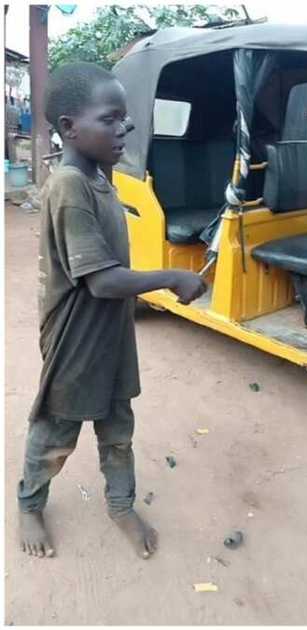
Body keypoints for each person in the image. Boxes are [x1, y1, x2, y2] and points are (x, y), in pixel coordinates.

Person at [17, 63, 208, 559]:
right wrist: (171, 278)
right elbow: (102, 282)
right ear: (68, 127)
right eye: (110, 118)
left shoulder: (104, 180)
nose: (124, 128)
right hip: (75, 339)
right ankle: (30, 503)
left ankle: (120, 505)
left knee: (118, 426)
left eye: (125, 118)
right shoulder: (68, 186)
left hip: (112, 334)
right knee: (56, 432)